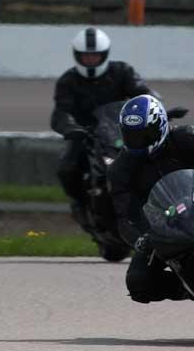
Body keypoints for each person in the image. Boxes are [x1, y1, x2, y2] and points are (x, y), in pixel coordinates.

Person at [50, 26, 154, 222]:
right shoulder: (68, 80)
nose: (90, 60)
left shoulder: (123, 72)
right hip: (85, 135)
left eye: (95, 56)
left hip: (122, 131)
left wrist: (157, 110)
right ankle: (80, 205)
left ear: (104, 54)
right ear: (77, 56)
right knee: (66, 168)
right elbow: (61, 111)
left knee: (154, 158)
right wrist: (71, 128)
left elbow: (144, 94)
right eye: (86, 56)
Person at [109, 94, 194, 303]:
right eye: (132, 135)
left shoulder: (186, 139)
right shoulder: (120, 169)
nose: (138, 142)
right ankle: (185, 288)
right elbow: (124, 215)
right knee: (139, 283)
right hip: (163, 228)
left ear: (161, 125)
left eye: (145, 135)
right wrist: (140, 239)